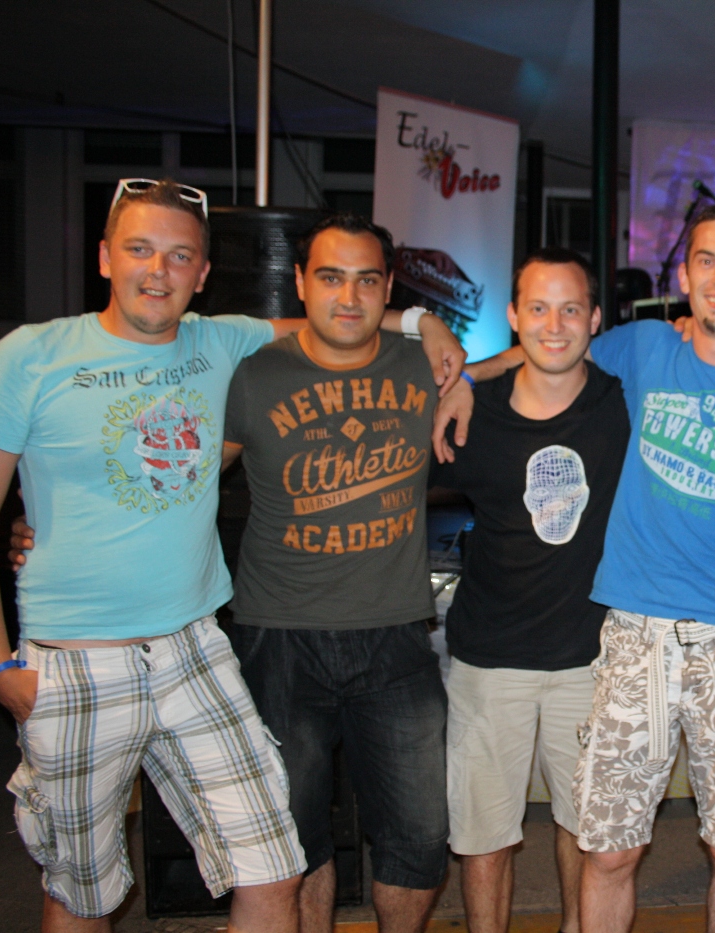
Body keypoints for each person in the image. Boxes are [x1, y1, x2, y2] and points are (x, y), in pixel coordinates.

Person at [0, 179, 463, 933]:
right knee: (84, 892)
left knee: (275, 865)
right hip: (76, 658)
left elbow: (336, 314)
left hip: (194, 647)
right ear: (104, 257)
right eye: (140, 249)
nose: (159, 270)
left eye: (180, 255)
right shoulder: (29, 356)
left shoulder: (219, 342)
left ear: (203, 273)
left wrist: (425, 323)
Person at [443, 199, 715, 933]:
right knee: (611, 849)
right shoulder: (646, 347)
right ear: (684, 275)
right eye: (706, 260)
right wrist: (466, 378)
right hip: (632, 633)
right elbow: (552, 344)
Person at [221, 214, 448, 933]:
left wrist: (456, 359)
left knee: (419, 836)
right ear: (299, 282)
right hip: (279, 638)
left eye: (366, 280)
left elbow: (525, 365)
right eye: (330, 277)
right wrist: (48, 529)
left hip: (396, 635)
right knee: (292, 838)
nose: (348, 297)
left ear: (387, 288)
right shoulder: (254, 377)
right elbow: (180, 489)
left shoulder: (425, 367)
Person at [429, 247, 630, 933]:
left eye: (571, 308)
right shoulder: (471, 412)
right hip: (489, 658)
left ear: (595, 318)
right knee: (483, 835)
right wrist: (464, 377)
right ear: (514, 316)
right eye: (538, 308)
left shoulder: (619, 403)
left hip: (590, 659)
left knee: (586, 827)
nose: (554, 324)